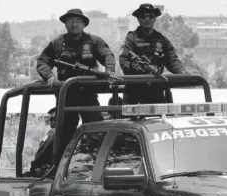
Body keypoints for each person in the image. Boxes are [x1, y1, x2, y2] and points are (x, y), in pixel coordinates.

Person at [36, 8, 116, 151]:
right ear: (65, 24)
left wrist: (109, 71)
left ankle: (94, 164)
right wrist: (50, 77)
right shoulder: (57, 43)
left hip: (88, 95)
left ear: (84, 24)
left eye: (78, 21)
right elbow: (42, 62)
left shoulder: (94, 41)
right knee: (64, 134)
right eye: (70, 21)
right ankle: (59, 167)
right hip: (66, 95)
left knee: (96, 130)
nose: (74, 25)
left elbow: (108, 55)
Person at [119, 3, 187, 105]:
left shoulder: (162, 40)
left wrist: (183, 73)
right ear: (138, 19)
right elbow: (124, 61)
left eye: (150, 16)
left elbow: (172, 61)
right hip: (134, 91)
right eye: (143, 16)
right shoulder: (131, 39)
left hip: (156, 91)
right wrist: (137, 68)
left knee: (160, 120)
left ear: (155, 18)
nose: (147, 19)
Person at [24, 108, 57, 177]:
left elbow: (42, 150)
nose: (49, 121)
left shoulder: (53, 133)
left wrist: (34, 167)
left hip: (45, 171)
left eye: (52, 119)